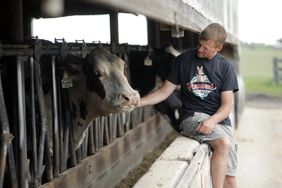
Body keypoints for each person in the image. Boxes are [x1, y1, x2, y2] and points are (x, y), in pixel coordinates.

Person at [138, 23, 238, 188]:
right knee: (223, 144)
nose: (199, 50)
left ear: (218, 48)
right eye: (199, 45)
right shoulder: (183, 60)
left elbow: (227, 106)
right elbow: (164, 92)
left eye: (206, 48)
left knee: (230, 178)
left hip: (219, 121)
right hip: (193, 117)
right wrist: (139, 102)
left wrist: (212, 121)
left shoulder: (225, 67)